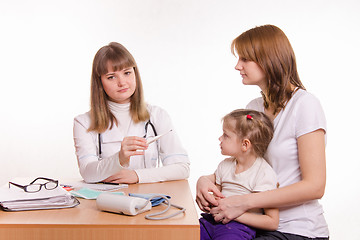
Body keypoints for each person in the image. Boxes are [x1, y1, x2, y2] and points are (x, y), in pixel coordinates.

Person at [196, 25, 329, 239]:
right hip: (250, 224)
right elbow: (247, 166)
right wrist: (205, 180)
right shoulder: (254, 108)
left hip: (295, 229)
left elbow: (315, 186)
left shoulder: (305, 105)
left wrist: (243, 202)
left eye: (245, 59)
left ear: (269, 59)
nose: (237, 66)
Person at [73, 42, 190, 184]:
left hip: (149, 200)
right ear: (99, 82)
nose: (122, 82)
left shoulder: (158, 116)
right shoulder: (83, 122)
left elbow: (182, 168)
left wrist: (137, 176)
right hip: (107, 201)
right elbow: (88, 173)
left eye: (127, 73)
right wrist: (119, 158)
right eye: (111, 77)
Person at [200, 109, 279, 240]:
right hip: (212, 221)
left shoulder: (264, 173)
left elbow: (271, 222)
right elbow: (217, 197)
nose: (220, 138)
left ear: (245, 144)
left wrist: (234, 214)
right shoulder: (224, 165)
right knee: (186, 232)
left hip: (238, 228)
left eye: (225, 135)